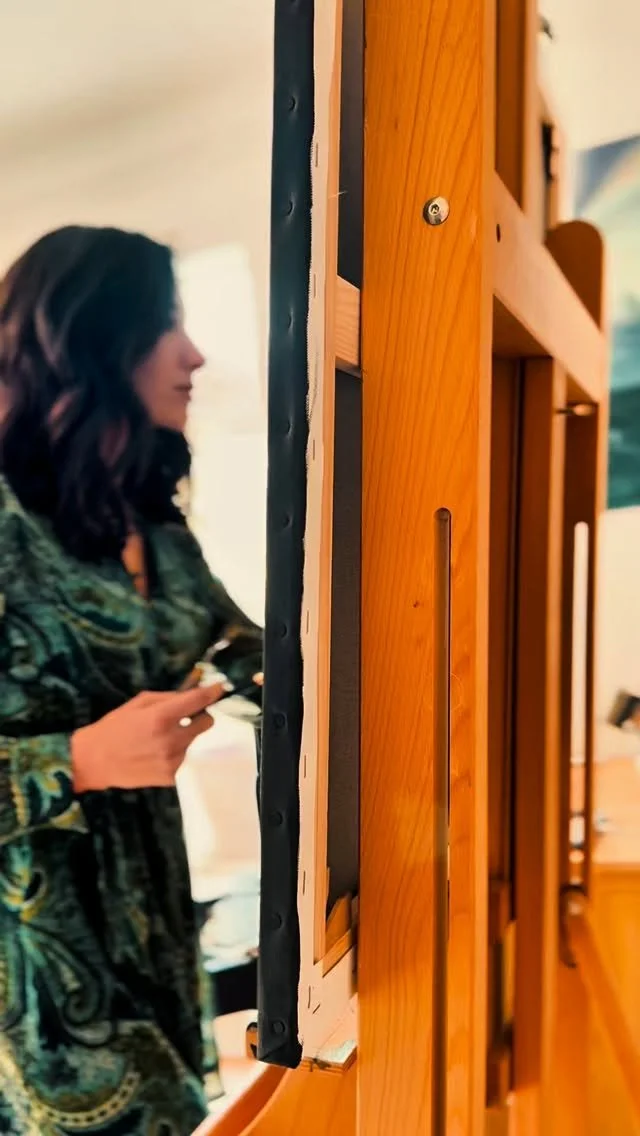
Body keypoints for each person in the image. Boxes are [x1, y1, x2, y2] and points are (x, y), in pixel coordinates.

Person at [0, 227, 263, 1135]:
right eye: (167, 324)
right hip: (34, 999)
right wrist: (77, 759)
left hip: (158, 948)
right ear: (91, 340)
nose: (195, 354)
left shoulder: (148, 517)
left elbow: (241, 652)